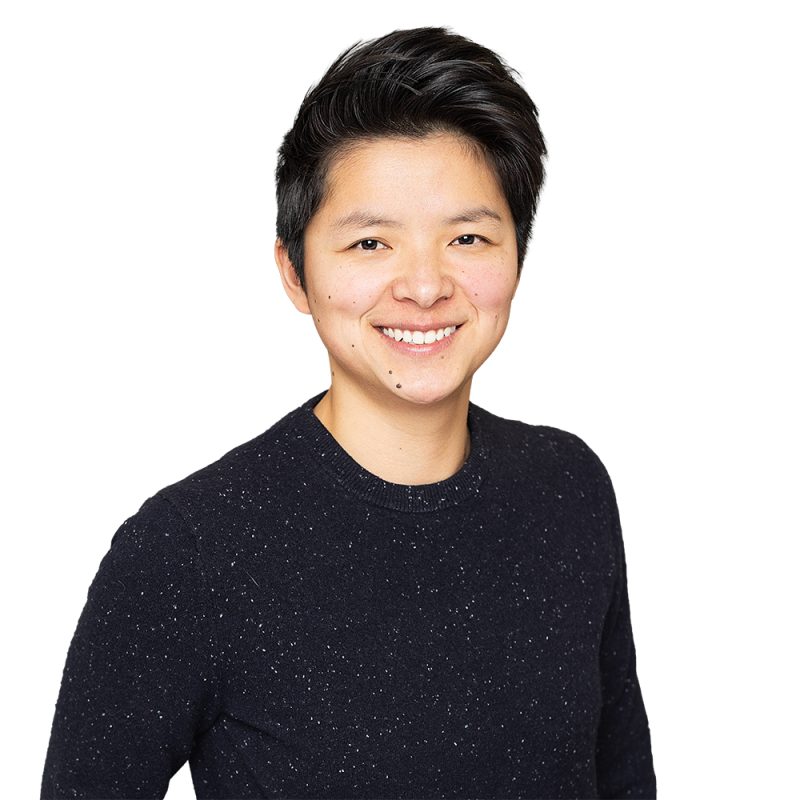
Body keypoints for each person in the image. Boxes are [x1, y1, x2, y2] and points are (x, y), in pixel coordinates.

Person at [41, 26, 656, 799]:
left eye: (468, 237)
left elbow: (622, 780)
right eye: (370, 244)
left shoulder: (568, 487)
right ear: (294, 272)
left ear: (517, 256)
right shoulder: (187, 551)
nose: (425, 286)